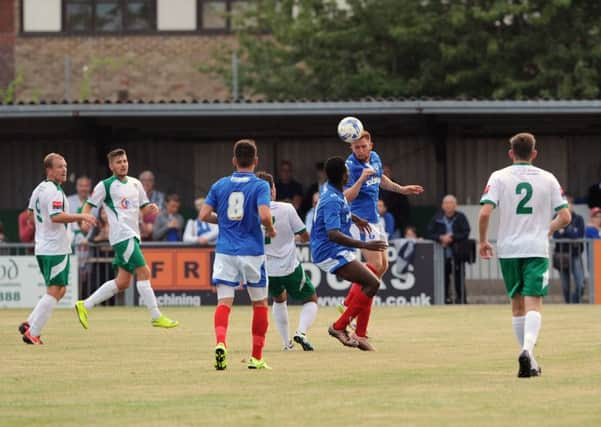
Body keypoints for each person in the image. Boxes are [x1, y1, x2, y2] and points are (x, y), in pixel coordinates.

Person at [479, 132, 570, 378]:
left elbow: (486, 213)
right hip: (535, 248)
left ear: (511, 154)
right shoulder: (548, 178)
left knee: (517, 306)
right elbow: (565, 216)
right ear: (534, 153)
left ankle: (529, 358)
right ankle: (527, 350)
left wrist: (484, 241)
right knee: (534, 304)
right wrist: (547, 229)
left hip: (508, 249)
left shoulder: (498, 176)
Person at [75, 149, 179, 330]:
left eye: (124, 161)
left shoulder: (136, 184)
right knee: (145, 272)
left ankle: (85, 305)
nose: (123, 164)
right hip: (122, 236)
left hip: (133, 234)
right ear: (111, 166)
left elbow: (143, 207)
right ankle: (156, 316)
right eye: (118, 162)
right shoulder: (105, 185)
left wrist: (151, 208)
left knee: (123, 282)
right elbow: (89, 205)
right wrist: (84, 218)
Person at [199, 139, 276, 370]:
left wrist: (222, 220)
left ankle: (221, 343)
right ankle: (256, 357)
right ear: (256, 161)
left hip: (225, 250)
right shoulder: (260, 185)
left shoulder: (220, 184)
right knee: (260, 303)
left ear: (234, 161)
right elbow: (264, 216)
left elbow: (203, 215)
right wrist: (271, 229)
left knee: (224, 301)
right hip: (251, 251)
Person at [339, 129, 423, 325]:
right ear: (351, 147)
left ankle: (349, 302)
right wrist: (360, 179)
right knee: (374, 266)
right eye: (356, 147)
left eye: (363, 146)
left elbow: (381, 179)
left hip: (375, 220)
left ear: (371, 145)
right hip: (359, 221)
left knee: (383, 266)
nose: (360, 150)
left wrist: (401, 189)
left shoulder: (375, 158)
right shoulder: (349, 166)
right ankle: (349, 310)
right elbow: (345, 197)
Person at [311, 156, 389, 351]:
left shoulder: (335, 193)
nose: (349, 174)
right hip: (329, 251)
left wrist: (356, 219)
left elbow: (341, 210)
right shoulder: (331, 198)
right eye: (346, 172)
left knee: (370, 281)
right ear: (342, 176)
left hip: (336, 249)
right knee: (372, 282)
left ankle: (359, 334)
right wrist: (365, 245)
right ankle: (339, 327)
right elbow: (333, 233)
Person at [18, 153, 97, 344]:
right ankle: (33, 333)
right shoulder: (53, 191)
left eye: (65, 166)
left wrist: (43, 225)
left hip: (44, 246)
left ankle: (29, 323)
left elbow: (30, 214)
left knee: (57, 290)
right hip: (55, 248)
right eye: (60, 166)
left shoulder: (39, 189)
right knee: (56, 290)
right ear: (49, 170)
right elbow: (56, 216)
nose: (64, 170)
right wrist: (81, 217)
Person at [256, 171, 318, 351]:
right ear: (272, 190)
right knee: (311, 299)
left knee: (279, 299)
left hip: (267, 269)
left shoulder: (250, 212)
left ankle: (286, 344)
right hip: (289, 267)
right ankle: (301, 332)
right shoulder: (286, 209)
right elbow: (305, 236)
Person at [427, 195, 471, 304]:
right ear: (442, 205)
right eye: (446, 203)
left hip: (457, 253)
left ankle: (461, 300)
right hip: (442, 254)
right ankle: (445, 299)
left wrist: (452, 238)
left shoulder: (461, 217)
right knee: (443, 278)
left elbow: (466, 232)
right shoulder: (437, 218)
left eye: (451, 203)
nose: (448, 205)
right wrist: (441, 238)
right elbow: (429, 233)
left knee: (459, 278)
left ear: (455, 205)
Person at [552, 195, 585, 304]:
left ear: (572, 205)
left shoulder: (579, 218)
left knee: (580, 283)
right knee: (565, 285)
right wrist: (570, 231)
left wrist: (565, 228)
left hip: (575, 254)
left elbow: (578, 235)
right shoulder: (555, 217)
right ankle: (568, 304)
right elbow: (556, 235)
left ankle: (576, 302)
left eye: (568, 204)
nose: (566, 206)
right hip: (561, 254)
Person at [379, 163, 412, 234]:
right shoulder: (374, 187)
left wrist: (406, 226)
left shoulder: (398, 188)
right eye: (383, 173)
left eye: (387, 172)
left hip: (396, 224)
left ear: (390, 173)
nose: (385, 175)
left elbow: (405, 208)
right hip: (376, 222)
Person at [139, 170, 165, 240]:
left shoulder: (160, 196)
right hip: (138, 223)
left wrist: (143, 212)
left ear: (153, 182)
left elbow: (158, 213)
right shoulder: (134, 196)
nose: (146, 183)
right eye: (143, 180)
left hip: (155, 224)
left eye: (149, 180)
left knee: (151, 227)